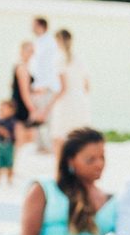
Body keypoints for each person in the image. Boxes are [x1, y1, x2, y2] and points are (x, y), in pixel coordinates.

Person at [48, 29, 91, 157]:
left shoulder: (59, 59)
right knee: (79, 138)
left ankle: (59, 171)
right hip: (80, 101)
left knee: (58, 139)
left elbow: (63, 88)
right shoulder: (80, 58)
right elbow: (87, 86)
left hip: (66, 103)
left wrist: (49, 105)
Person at [28, 17, 59, 153]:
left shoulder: (49, 43)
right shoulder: (38, 42)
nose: (31, 28)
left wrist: (44, 85)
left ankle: (50, 146)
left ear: (40, 26)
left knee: (48, 116)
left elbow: (49, 66)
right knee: (37, 116)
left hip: (46, 87)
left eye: (33, 25)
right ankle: (40, 146)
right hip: (37, 86)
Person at [10, 40, 41, 156]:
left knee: (27, 136)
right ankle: (10, 165)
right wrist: (32, 109)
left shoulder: (22, 66)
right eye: (29, 51)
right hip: (20, 105)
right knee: (21, 137)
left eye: (33, 51)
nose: (31, 54)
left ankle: (10, 164)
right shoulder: (22, 67)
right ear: (22, 51)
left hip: (19, 103)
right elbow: (24, 92)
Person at [0, 99, 18, 185]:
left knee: (9, 163)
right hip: (0, 144)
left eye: (3, 110)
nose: (0, 111)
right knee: (0, 163)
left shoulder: (11, 122)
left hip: (9, 145)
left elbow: (7, 133)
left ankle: (9, 179)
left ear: (11, 111)